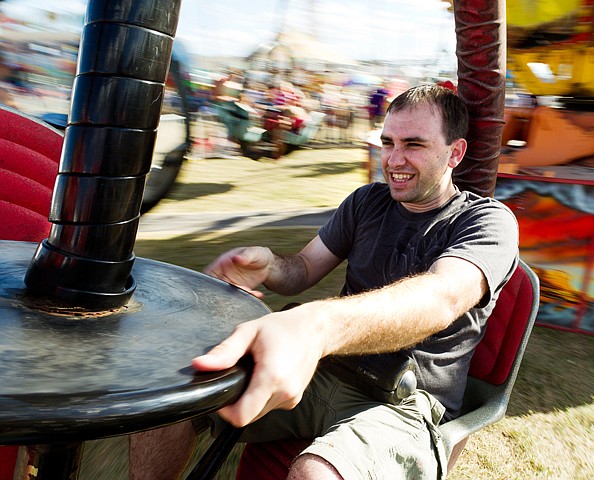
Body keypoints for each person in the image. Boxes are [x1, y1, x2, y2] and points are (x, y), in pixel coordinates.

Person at [139, 83, 518, 480]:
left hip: (408, 404)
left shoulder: (488, 222)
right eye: (388, 142)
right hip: (327, 371)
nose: (394, 159)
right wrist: (270, 266)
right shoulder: (366, 202)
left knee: (314, 473)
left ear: (454, 153)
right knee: (174, 402)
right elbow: (302, 268)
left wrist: (318, 326)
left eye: (414, 145)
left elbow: (439, 299)